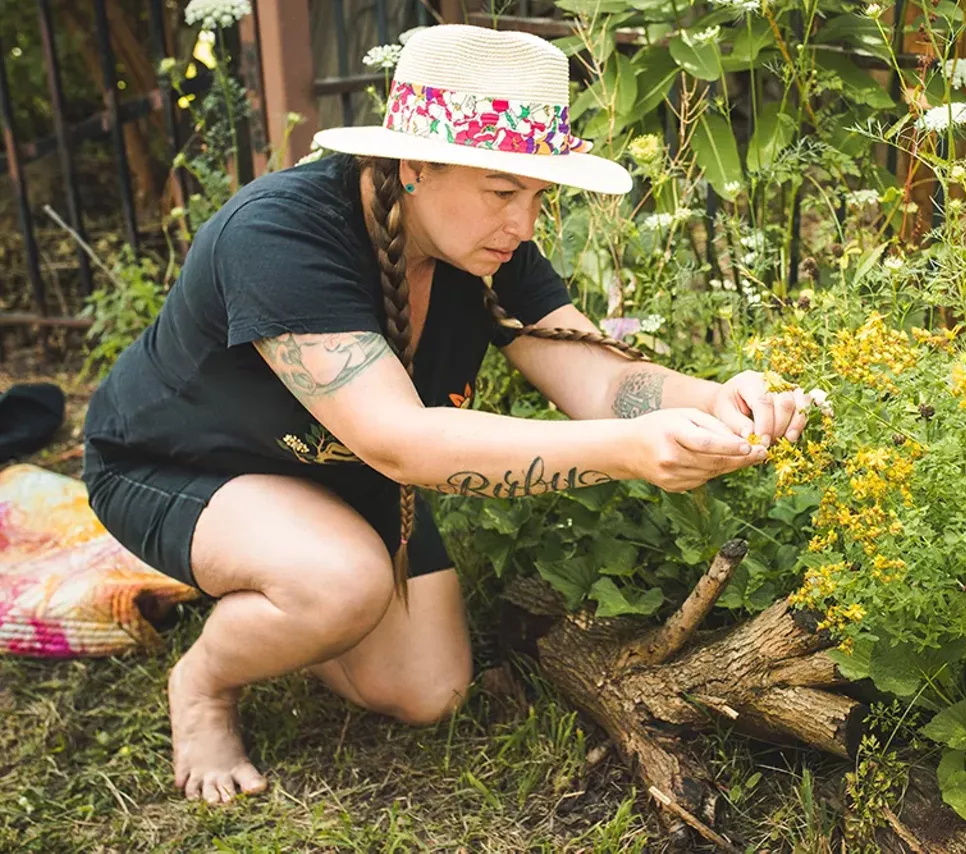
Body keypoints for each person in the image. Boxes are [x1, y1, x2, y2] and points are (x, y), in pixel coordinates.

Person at [81, 24, 809, 806]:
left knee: (430, 692)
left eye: (538, 196)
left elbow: (598, 380)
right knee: (340, 584)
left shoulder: (482, 248)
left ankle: (281, 591)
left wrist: (715, 397)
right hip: (180, 462)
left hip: (333, 470)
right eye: (504, 191)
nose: (525, 226)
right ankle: (205, 682)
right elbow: (401, 442)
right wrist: (630, 451)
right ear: (415, 163)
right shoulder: (282, 233)